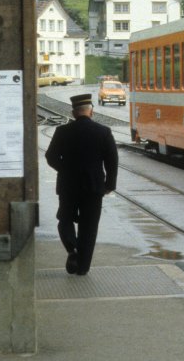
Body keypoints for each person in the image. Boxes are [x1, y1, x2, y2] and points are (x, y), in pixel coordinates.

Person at [45, 93, 118, 276]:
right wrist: (109, 184)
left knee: (65, 219)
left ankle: (72, 249)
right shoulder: (103, 132)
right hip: (93, 187)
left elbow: (50, 156)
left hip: (68, 186)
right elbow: (112, 161)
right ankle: (83, 267)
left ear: (73, 112)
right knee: (89, 226)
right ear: (91, 111)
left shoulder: (62, 131)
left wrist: (65, 170)